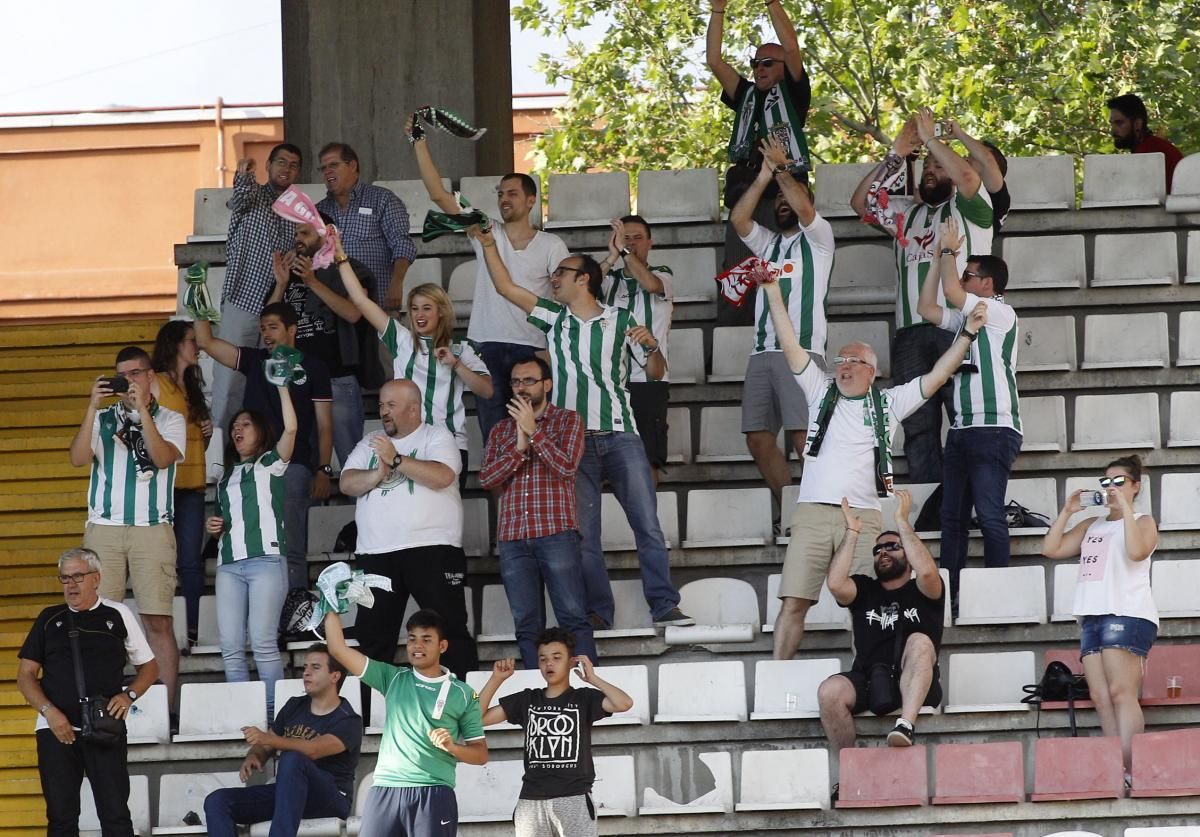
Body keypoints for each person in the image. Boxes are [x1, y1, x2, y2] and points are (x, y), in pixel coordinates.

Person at [758, 269, 985, 659]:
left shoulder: (889, 402)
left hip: (863, 517)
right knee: (794, 602)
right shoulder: (818, 390)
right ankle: (776, 678)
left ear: (872, 371)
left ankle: (867, 678)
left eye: (853, 360)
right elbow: (789, 343)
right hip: (813, 512)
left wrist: (966, 334)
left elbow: (938, 374)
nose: (843, 365)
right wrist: (773, 293)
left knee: (865, 607)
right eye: (840, 359)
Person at [473, 227, 693, 630]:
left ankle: (664, 605)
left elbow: (656, 373)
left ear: (584, 278)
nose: (553, 279)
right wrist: (489, 243)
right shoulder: (554, 317)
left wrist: (652, 347)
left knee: (647, 523)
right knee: (584, 535)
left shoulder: (622, 318)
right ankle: (599, 612)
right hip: (571, 443)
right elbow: (505, 287)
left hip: (621, 432)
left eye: (562, 272)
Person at [850, 109, 995, 482]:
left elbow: (967, 176)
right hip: (909, 333)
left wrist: (933, 140)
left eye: (939, 165)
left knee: (964, 417)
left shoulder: (973, 209)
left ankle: (964, 499)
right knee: (917, 423)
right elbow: (860, 203)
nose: (931, 169)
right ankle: (929, 499)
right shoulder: (905, 213)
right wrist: (897, 153)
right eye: (927, 166)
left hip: (957, 326)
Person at [410, 125, 569, 443]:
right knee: (496, 439)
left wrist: (550, 352)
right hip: (485, 345)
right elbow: (439, 195)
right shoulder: (486, 229)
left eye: (512, 193)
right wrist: (419, 141)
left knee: (534, 435)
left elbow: (563, 302)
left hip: (532, 347)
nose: (503, 199)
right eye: (500, 193)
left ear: (530, 201)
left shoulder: (552, 245)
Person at [68, 347, 184, 717]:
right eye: (122, 375)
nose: (128, 381)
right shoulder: (102, 418)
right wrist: (91, 407)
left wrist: (142, 412)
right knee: (97, 620)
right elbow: (77, 458)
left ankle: (166, 713)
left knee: (158, 621)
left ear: (151, 376)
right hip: (104, 530)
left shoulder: (170, 418)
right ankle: (98, 707)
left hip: (152, 527)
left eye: (136, 373)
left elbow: (163, 457)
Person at [339, 379, 477, 687]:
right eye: (381, 405)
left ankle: (464, 709)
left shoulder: (436, 435)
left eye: (391, 405)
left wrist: (397, 460)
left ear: (413, 408)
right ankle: (371, 717)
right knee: (373, 637)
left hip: (432, 549)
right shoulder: (370, 441)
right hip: (376, 553)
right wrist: (377, 472)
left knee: (449, 630)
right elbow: (347, 483)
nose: (383, 411)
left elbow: (443, 475)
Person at [332, 227, 492, 488]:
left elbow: (486, 390)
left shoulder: (463, 349)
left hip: (448, 443)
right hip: (406, 441)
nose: (419, 314)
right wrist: (340, 256)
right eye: (415, 308)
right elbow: (361, 301)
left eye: (427, 308)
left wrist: (456, 365)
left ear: (441, 312)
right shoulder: (402, 339)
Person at [916, 217, 1022, 609]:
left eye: (969, 274)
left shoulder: (1000, 313)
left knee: (991, 513)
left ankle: (996, 595)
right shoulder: (969, 315)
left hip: (993, 427)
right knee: (952, 517)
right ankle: (951, 594)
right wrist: (935, 258)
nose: (961, 279)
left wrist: (948, 252)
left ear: (988, 284)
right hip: (962, 428)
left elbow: (948, 291)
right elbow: (926, 306)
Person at [17, 548, 159, 837]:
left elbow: (150, 667)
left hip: (104, 726)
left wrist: (128, 695)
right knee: (60, 818)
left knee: (116, 815)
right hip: (55, 729)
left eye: (78, 577)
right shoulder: (48, 618)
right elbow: (25, 675)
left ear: (96, 578)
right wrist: (49, 712)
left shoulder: (117, 613)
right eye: (65, 578)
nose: (71, 585)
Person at [195, 303, 333, 591]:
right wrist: (198, 308)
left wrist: (323, 468)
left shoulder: (315, 367)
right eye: (262, 328)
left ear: (292, 330)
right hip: (251, 470)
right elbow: (206, 342)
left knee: (292, 546)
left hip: (294, 464)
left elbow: (324, 425)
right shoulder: (255, 360)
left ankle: (293, 613)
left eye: (273, 327)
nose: (266, 334)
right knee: (250, 547)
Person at [729, 138, 834, 514]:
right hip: (762, 352)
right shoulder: (768, 243)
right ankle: (792, 507)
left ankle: (821, 509)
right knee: (757, 438)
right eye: (778, 199)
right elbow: (739, 220)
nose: (783, 202)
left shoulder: (820, 240)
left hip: (803, 351)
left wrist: (783, 171)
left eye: (790, 197)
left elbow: (804, 206)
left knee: (802, 435)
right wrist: (763, 176)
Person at [1041, 455, 1159, 777]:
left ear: (1136, 486)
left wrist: (1126, 510)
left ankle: (1133, 768)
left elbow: (1137, 551)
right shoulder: (1092, 524)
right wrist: (1067, 512)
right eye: (1106, 483)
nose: (1111, 488)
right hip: (1092, 615)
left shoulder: (1144, 520)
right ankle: (1116, 767)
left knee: (1122, 692)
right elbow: (1051, 549)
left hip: (1127, 612)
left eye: (1119, 482)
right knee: (1100, 696)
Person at [322, 609, 487, 836]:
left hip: (433, 793)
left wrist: (453, 747)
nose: (417, 646)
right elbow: (337, 650)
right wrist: (331, 607)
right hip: (384, 790)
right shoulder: (393, 677)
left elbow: (480, 754)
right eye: (412, 639)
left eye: (426, 639)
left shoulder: (465, 693)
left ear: (443, 646)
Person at [478, 358, 594, 669]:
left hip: (556, 533)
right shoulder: (501, 429)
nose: (521, 387)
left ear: (547, 384)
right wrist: (518, 446)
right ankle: (534, 692)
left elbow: (566, 468)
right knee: (526, 623)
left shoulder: (568, 421)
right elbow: (488, 479)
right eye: (516, 382)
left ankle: (588, 693)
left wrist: (534, 433)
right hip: (513, 539)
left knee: (573, 616)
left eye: (529, 380)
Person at [818, 491, 944, 769]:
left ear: (908, 555)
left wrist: (901, 521)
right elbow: (836, 583)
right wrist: (852, 532)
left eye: (892, 547)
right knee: (830, 692)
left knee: (921, 642)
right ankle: (849, 771)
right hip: (871, 679)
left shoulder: (924, 589)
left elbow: (925, 572)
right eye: (878, 550)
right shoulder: (865, 588)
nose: (883, 551)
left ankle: (905, 726)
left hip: (916, 681)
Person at [706, 0, 811, 325]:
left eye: (767, 62)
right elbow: (714, 60)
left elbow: (792, 48)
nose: (759, 69)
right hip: (747, 195)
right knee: (738, 270)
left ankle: (790, 333)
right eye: (754, 63)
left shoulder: (794, 93)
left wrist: (770, 2)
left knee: (785, 268)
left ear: (782, 66)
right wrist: (718, 10)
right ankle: (733, 339)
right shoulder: (746, 94)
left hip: (784, 193)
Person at [477, 629, 634, 837]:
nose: (549, 664)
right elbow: (477, 719)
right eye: (543, 659)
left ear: (571, 662)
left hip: (574, 797)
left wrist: (593, 678)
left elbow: (624, 703)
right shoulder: (527, 699)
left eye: (557, 657)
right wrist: (496, 679)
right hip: (531, 800)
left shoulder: (584, 698)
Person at [205, 382, 297, 717]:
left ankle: (272, 716)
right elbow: (225, 522)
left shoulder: (272, 463)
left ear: (261, 430)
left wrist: (283, 388)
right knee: (230, 647)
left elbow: (292, 428)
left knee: (262, 643)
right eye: (233, 426)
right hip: (229, 563)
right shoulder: (225, 475)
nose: (236, 430)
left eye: (245, 424)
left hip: (266, 561)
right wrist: (213, 527)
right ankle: (244, 715)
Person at [203, 644, 362, 837]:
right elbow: (266, 746)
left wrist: (269, 739)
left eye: (315, 667)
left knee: (293, 759)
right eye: (305, 667)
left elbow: (313, 750)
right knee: (218, 801)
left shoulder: (348, 720)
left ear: (334, 676)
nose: (306, 673)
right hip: (287, 795)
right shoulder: (294, 706)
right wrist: (255, 755)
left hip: (330, 799)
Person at [267, 216, 375, 466]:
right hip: (298, 381)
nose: (297, 240)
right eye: (296, 234)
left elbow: (354, 312)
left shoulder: (348, 269)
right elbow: (268, 323)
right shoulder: (290, 274)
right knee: (303, 460)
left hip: (337, 377)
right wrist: (281, 285)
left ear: (324, 236)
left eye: (304, 233)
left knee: (352, 460)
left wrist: (313, 282)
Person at [214, 145, 303, 433]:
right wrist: (243, 174)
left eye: (293, 164)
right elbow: (239, 198)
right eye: (280, 162)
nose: (286, 168)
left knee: (269, 383)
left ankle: (261, 449)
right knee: (229, 383)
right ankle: (219, 462)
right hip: (243, 300)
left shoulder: (296, 211)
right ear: (268, 165)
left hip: (276, 305)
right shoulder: (254, 196)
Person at [151, 320, 213, 653]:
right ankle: (165, 631)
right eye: (192, 341)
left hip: (193, 482)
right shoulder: (157, 382)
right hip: (165, 484)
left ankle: (190, 628)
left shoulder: (191, 384)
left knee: (190, 561)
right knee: (165, 560)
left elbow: (195, 437)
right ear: (175, 344)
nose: (198, 346)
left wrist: (207, 430)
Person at [599, 216, 674, 485]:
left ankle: (646, 526)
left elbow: (652, 285)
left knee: (646, 458)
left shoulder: (663, 273)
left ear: (650, 243)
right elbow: (580, 287)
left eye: (636, 238)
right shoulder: (608, 280)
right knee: (604, 461)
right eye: (625, 238)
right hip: (609, 381)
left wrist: (625, 251)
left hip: (648, 381)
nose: (629, 243)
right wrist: (611, 256)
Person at [314, 142, 416, 314]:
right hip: (336, 310)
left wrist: (396, 284)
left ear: (352, 165)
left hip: (377, 303)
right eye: (323, 168)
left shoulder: (382, 199)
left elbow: (402, 244)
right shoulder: (318, 211)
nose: (327, 171)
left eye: (333, 165)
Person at [1108, 93, 1184, 191]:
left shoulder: (1149, 153)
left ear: (1137, 124)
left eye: (1119, 123)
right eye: (1112, 124)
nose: (1113, 131)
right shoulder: (1152, 146)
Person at [943, 121, 1010, 233]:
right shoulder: (958, 190)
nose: (966, 160)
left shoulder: (998, 196)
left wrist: (959, 133)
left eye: (973, 157)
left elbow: (987, 159)